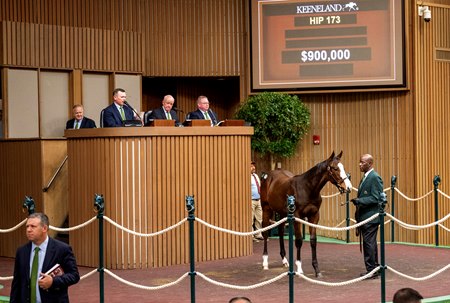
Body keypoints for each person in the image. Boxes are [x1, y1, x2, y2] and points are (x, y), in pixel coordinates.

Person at [10, 212, 80, 303]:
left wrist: (53, 282)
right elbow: (17, 283)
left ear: (44, 228)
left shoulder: (62, 249)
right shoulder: (21, 251)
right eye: (27, 226)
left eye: (33, 226)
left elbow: (74, 275)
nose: (28, 230)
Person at [351, 154, 384, 279]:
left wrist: (360, 201)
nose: (360, 164)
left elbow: (376, 198)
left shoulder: (374, 177)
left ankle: (371, 270)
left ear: (370, 163)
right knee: (371, 243)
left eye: (362, 162)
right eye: (359, 162)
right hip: (366, 217)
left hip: (371, 217)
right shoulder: (366, 177)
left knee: (368, 243)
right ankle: (375, 267)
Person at [251, 161, 263, 241]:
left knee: (259, 218)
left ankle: (258, 234)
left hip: (258, 200)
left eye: (254, 166)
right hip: (251, 200)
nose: (254, 167)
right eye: (251, 166)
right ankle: (251, 235)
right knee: (250, 219)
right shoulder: (247, 176)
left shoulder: (255, 176)